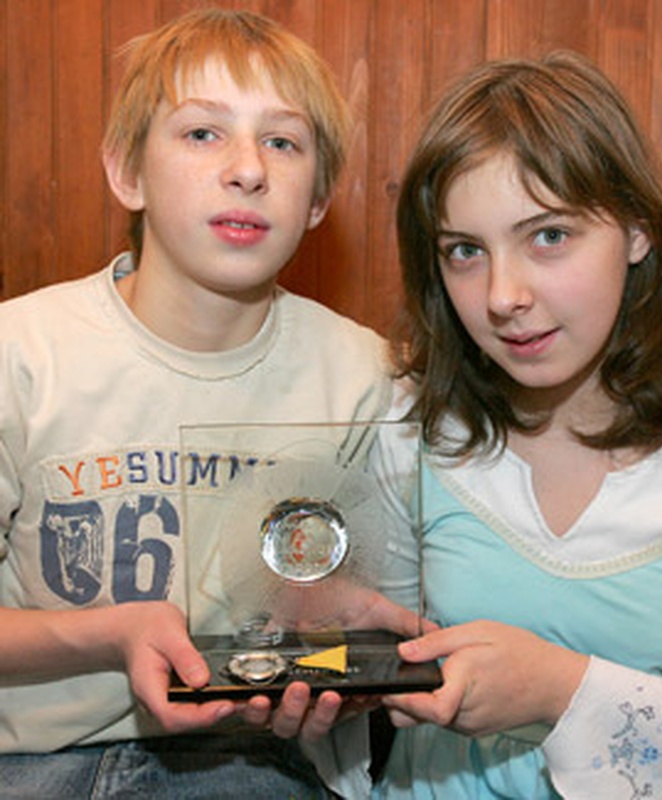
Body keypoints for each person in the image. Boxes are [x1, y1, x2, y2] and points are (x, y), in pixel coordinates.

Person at [369, 51, 662, 798]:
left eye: (548, 236)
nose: (502, 296)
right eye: (465, 251)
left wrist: (561, 691)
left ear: (637, 229)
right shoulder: (412, 427)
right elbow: (379, 674)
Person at [0, 7, 405, 797]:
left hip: (245, 757)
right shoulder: (21, 354)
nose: (248, 169)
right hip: (29, 759)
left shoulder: (362, 374)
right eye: (202, 133)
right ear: (127, 172)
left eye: (282, 142)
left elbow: (327, 622)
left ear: (318, 198)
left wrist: (337, 659)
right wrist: (114, 633)